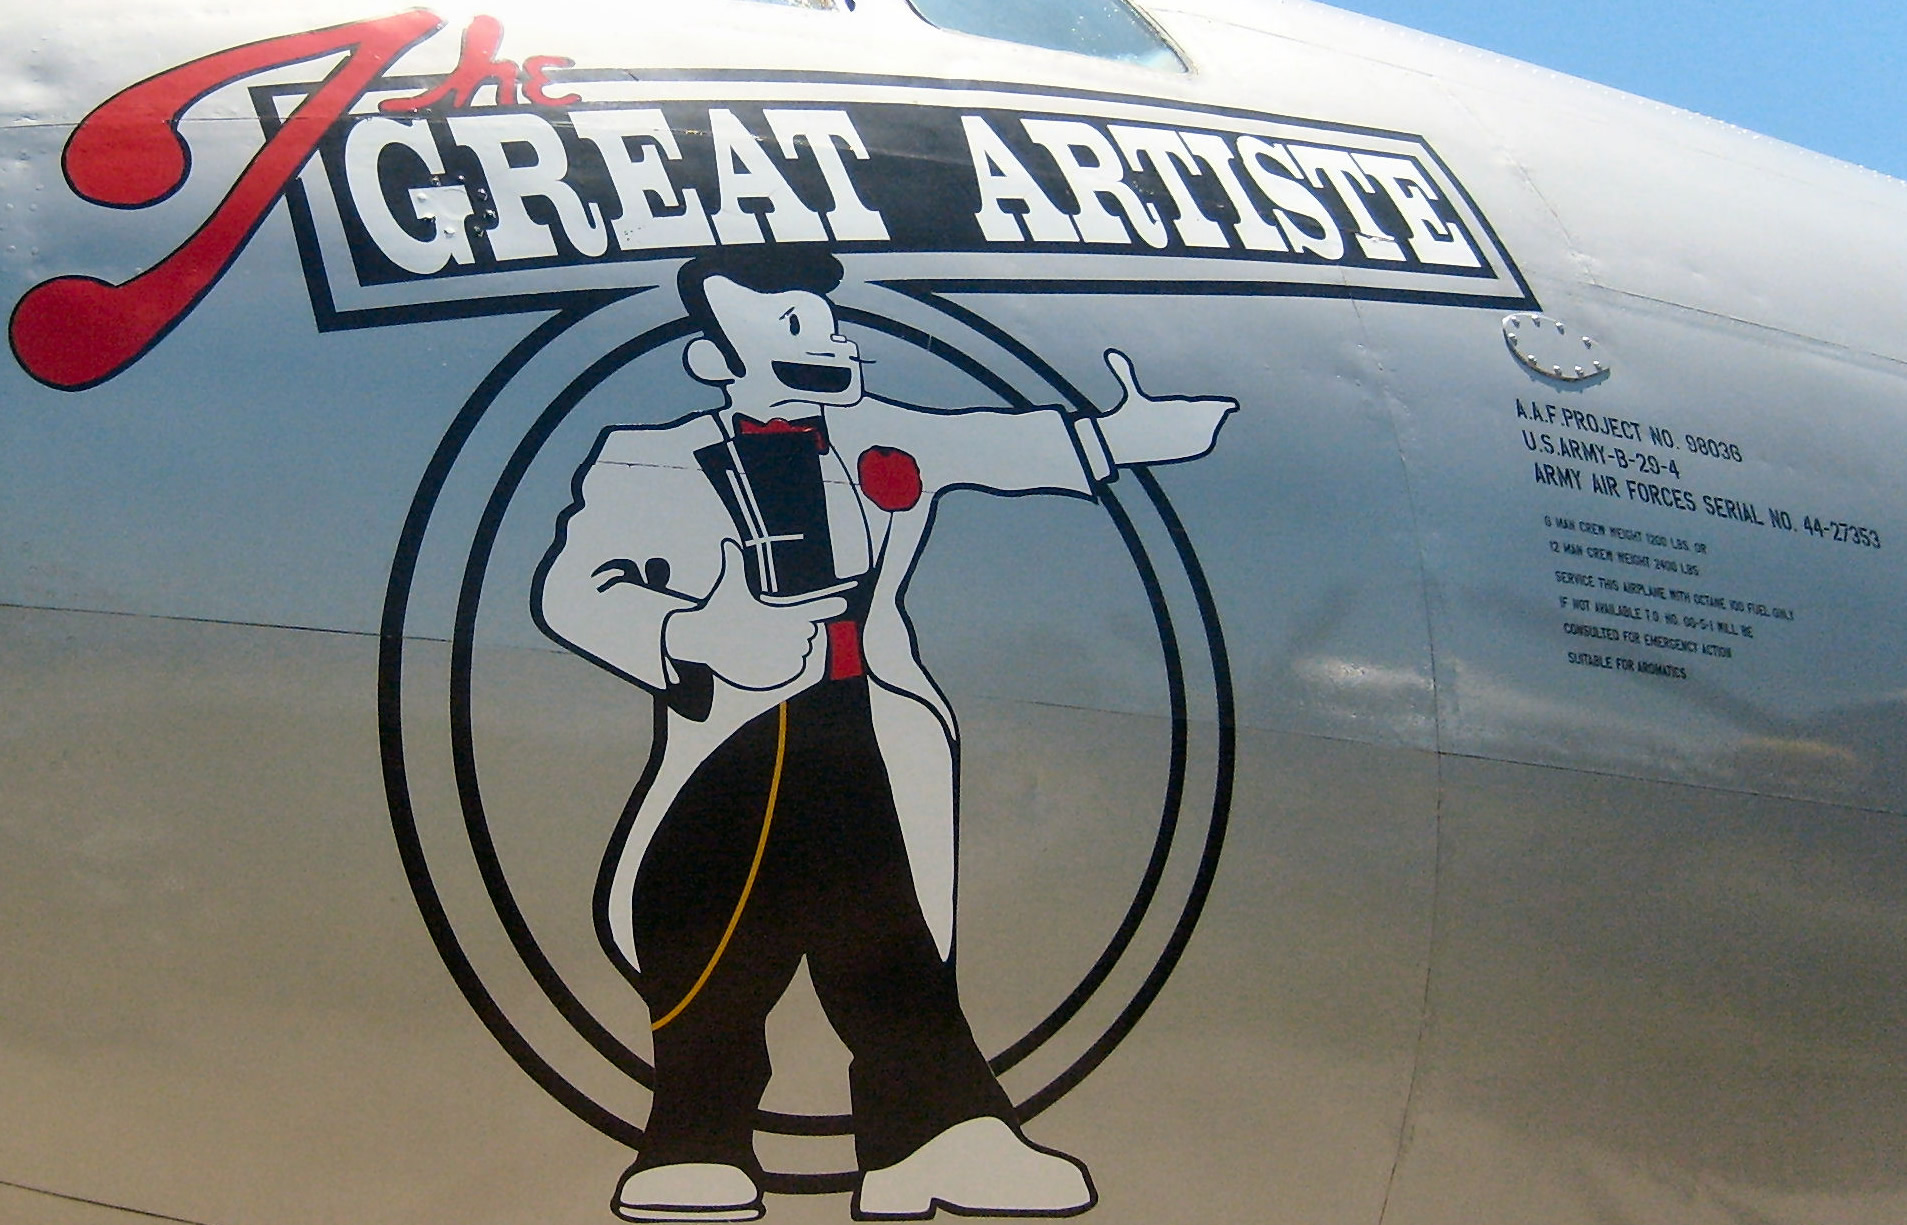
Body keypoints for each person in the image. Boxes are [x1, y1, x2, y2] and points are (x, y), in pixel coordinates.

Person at [533, 246, 1234, 1222]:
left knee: (879, 916)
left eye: (823, 325)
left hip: (863, 713)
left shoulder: (876, 434)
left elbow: (994, 447)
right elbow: (574, 591)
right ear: (714, 361)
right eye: (790, 327)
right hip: (732, 732)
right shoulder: (644, 455)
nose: (822, 341)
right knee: (715, 925)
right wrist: (692, 632)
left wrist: (1113, 438)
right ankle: (712, 1135)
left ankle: (918, 1134)